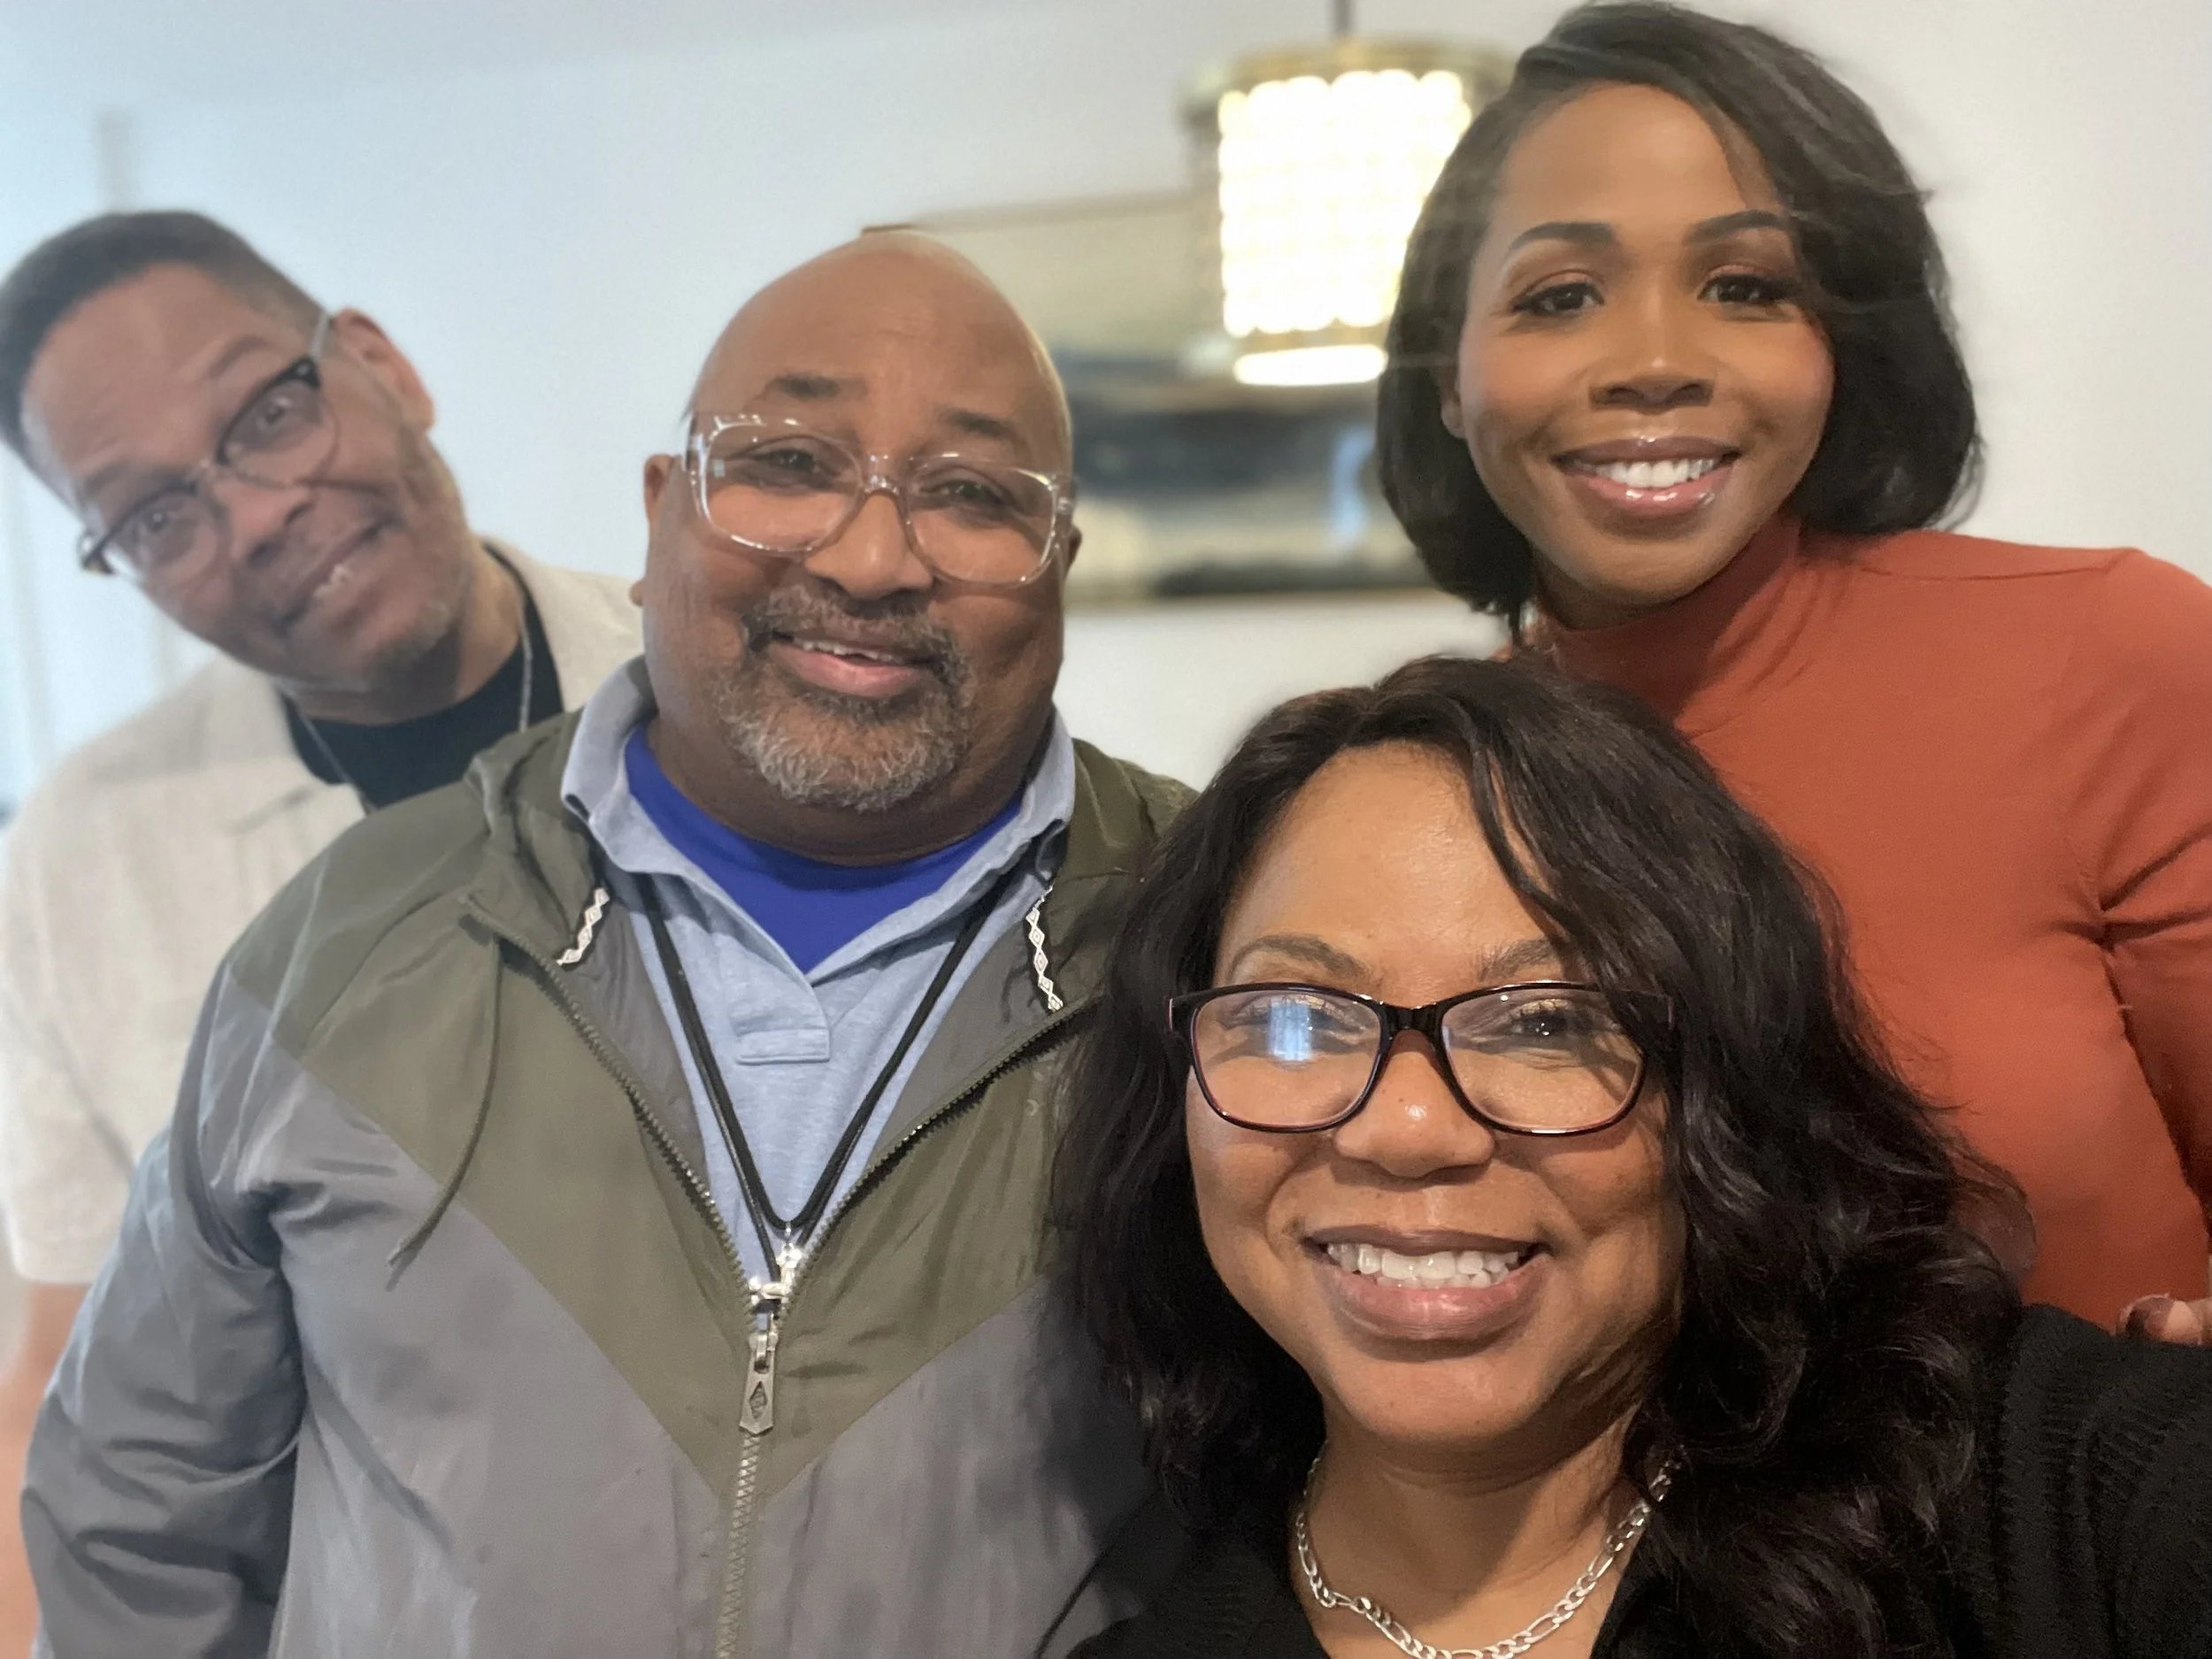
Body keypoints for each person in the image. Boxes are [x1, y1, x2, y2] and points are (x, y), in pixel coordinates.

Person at [21, 231, 1190, 1658]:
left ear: (1061, 555)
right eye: (790, 462)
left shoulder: (1216, 937)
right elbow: (137, 1501)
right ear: (663, 512)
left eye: (972, 492)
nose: (877, 555)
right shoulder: (321, 940)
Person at [1056, 655, 2212, 1659]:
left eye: (1548, 1020)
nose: (1406, 1129)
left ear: (1727, 1090)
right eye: (1298, 1015)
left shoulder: (2040, 1496)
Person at [1371, 1, 2212, 1330]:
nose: (1653, 361)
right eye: (1561, 295)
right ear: (1448, 378)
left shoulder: (2111, 657)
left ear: (1842, 346)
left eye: (1748, 287)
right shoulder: (1418, 786)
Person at [0, 210, 639, 1642]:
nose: (253, 514)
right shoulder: (89, 856)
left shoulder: (703, 688)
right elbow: (66, 1381)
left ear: (379, 363)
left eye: (268, 411)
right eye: (157, 514)